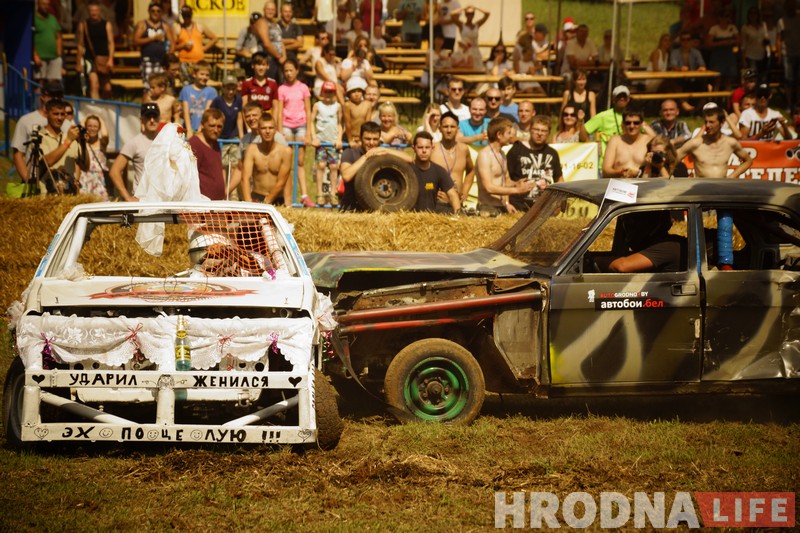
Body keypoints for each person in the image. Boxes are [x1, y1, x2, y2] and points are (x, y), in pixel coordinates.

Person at [475, 117, 537, 215]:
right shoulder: (485, 155)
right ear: (499, 134)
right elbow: (489, 187)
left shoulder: (502, 154)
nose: (511, 136)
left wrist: (516, 183)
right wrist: (517, 190)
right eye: (509, 133)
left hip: (501, 207)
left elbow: (506, 181)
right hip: (487, 209)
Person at [10, 81, 69, 183]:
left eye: (59, 96)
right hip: (36, 181)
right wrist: (27, 179)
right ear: (43, 97)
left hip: (61, 183)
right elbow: (18, 154)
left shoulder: (67, 124)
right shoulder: (26, 120)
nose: (56, 98)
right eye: (52, 95)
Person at [277, 58, 314, 207]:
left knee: (299, 161)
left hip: (300, 125)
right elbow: (279, 111)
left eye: (291, 70)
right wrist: (279, 131)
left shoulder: (303, 88)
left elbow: (308, 109)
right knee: (286, 162)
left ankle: (304, 194)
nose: (288, 73)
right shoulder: (281, 89)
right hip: (286, 125)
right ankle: (287, 197)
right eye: (286, 70)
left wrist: (309, 133)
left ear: (297, 70)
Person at [677, 107, 753, 179]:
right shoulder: (696, 143)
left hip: (721, 188)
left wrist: (732, 176)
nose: (707, 125)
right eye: (706, 122)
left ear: (722, 123)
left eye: (711, 122)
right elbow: (672, 159)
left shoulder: (730, 143)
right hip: (701, 188)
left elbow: (748, 161)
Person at [507, 115, 562, 211]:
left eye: (544, 131)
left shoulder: (552, 153)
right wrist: (506, 203)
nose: (539, 133)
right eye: (536, 129)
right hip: (518, 207)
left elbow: (559, 179)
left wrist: (559, 202)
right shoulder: (516, 150)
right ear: (530, 130)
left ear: (549, 133)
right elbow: (505, 179)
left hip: (544, 209)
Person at [603, 211, 686, 273]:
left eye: (632, 223)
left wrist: (594, 261)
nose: (628, 231)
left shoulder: (668, 246)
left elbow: (622, 266)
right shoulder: (663, 244)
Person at [109, 103, 160, 200]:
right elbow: (114, 171)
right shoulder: (135, 142)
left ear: (159, 118)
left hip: (162, 200)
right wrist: (127, 197)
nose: (152, 120)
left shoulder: (165, 140)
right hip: (143, 199)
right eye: (148, 117)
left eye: (155, 116)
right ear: (142, 120)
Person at [241, 113, 292, 204]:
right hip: (256, 197)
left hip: (277, 199)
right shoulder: (252, 150)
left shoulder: (285, 152)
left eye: (271, 128)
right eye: (264, 128)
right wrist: (248, 202)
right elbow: (245, 178)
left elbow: (282, 181)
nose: (267, 131)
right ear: (258, 130)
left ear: (276, 130)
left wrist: (266, 202)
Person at [39, 98, 85, 194]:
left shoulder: (69, 136)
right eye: (56, 114)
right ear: (47, 114)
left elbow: (85, 166)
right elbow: (47, 162)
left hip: (70, 196)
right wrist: (68, 141)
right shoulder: (39, 137)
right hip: (48, 196)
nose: (60, 118)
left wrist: (84, 142)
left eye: (63, 114)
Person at [407, 131, 461, 213]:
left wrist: (457, 216)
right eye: (420, 147)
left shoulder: (439, 171)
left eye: (427, 147)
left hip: (431, 219)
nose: (424, 151)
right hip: (407, 218)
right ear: (413, 148)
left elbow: (453, 195)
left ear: (432, 148)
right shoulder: (406, 170)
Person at [210, 76, 244, 199]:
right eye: (228, 88)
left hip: (233, 136)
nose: (230, 92)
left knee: (234, 163)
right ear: (223, 88)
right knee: (223, 165)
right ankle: (222, 191)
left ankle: (233, 192)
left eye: (233, 89)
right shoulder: (217, 101)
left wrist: (241, 137)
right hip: (220, 137)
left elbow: (240, 118)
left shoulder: (238, 100)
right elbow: (212, 116)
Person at [310, 81, 343, 205]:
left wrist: (339, 138)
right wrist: (314, 137)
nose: (328, 94)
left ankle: (333, 192)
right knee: (321, 165)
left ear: (334, 93)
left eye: (331, 92)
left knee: (334, 167)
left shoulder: (337, 106)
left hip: (332, 142)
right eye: (326, 91)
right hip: (321, 142)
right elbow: (311, 122)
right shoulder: (317, 105)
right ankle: (319, 193)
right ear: (322, 92)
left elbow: (340, 124)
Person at [339, 121, 382, 211]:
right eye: (367, 139)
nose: (371, 143)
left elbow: (409, 159)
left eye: (375, 139)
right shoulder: (350, 153)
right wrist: (366, 157)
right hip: (351, 207)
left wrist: (386, 150)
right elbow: (346, 176)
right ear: (360, 138)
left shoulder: (382, 154)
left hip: (374, 209)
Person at [431, 111, 474, 203]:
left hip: (458, 203)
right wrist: (432, 190)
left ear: (457, 129)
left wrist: (465, 192)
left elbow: (471, 171)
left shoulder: (463, 149)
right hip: (436, 204)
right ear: (440, 129)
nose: (449, 130)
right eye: (445, 127)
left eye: (452, 127)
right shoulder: (432, 149)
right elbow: (420, 177)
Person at [76, 0, 115, 99]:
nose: (94, 13)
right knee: (94, 84)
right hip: (90, 58)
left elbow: (111, 43)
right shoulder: (83, 25)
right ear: (88, 12)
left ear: (99, 11)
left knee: (107, 88)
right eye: (91, 10)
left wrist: (111, 59)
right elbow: (80, 45)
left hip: (104, 58)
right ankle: (96, 108)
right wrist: (78, 61)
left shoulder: (106, 25)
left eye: (96, 10)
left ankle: (106, 107)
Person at [602, 110, 656, 179]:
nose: (632, 126)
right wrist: (619, 172)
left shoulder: (649, 140)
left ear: (641, 124)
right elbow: (605, 170)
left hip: (644, 184)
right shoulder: (615, 140)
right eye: (628, 123)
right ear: (623, 124)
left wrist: (638, 173)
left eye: (636, 123)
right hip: (619, 183)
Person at [134, 2, 174, 93]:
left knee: (162, 85)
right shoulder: (143, 25)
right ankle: (149, 104)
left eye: (158, 11)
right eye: (153, 11)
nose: (155, 13)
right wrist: (153, 38)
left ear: (161, 12)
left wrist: (169, 54)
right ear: (149, 11)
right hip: (147, 60)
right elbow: (136, 41)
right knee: (149, 86)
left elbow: (172, 43)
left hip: (161, 61)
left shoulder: (165, 26)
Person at [187, 108, 227, 200]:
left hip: (216, 205)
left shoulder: (215, 143)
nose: (216, 130)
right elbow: (188, 177)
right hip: (202, 206)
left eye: (219, 126)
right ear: (202, 125)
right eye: (211, 126)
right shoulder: (194, 145)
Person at [174, 5, 218, 83]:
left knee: (200, 83)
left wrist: (205, 48)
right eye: (185, 16)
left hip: (198, 61)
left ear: (191, 15)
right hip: (184, 62)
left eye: (188, 15)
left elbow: (214, 38)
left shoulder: (199, 26)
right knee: (186, 84)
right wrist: (183, 45)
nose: (187, 18)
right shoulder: (178, 28)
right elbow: (173, 46)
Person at [584, 85, 631, 153]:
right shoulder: (603, 116)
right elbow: (584, 130)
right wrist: (591, 147)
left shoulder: (634, 118)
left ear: (628, 99)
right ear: (613, 99)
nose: (622, 98)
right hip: (605, 160)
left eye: (624, 96)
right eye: (619, 96)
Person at [179, 61, 217, 138]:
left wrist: (201, 128)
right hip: (188, 128)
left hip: (203, 129)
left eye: (207, 75)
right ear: (194, 74)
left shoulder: (212, 91)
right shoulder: (186, 90)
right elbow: (186, 111)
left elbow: (207, 111)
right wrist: (189, 130)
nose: (204, 77)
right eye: (202, 74)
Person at [705, 9, 739, 89]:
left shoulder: (732, 28)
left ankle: (727, 99)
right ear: (719, 18)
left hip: (729, 54)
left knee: (729, 79)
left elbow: (739, 40)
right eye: (722, 17)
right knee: (717, 79)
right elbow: (708, 43)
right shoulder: (714, 29)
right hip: (718, 55)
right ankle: (715, 98)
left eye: (726, 17)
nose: (724, 19)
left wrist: (731, 41)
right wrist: (722, 43)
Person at [79, 114, 110, 199]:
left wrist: (99, 117)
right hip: (84, 179)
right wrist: (87, 116)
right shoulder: (82, 141)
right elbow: (79, 129)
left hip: (99, 180)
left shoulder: (102, 143)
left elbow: (105, 135)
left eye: (95, 126)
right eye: (89, 126)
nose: (92, 129)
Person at [253, 1, 285, 81]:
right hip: (268, 60)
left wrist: (284, 56)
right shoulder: (262, 22)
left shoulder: (276, 24)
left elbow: (280, 41)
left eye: (272, 9)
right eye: (268, 9)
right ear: (264, 10)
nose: (270, 11)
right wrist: (278, 57)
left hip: (278, 60)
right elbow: (266, 44)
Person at [777, 0, 800, 111]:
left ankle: (798, 104)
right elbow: (779, 39)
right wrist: (779, 54)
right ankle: (789, 104)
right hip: (788, 54)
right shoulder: (781, 21)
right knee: (789, 80)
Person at [33, 0, 63, 83]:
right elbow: (30, 39)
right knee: (40, 83)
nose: (46, 6)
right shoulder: (33, 19)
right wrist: (35, 55)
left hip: (54, 57)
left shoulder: (52, 19)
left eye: (47, 5)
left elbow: (58, 37)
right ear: (38, 4)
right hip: (40, 57)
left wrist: (59, 54)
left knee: (53, 84)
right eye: (43, 4)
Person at [452, 5, 489, 70]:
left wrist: (476, 7)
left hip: (475, 50)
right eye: (468, 14)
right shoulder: (462, 25)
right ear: (465, 14)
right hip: (464, 51)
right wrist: (464, 8)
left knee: (477, 69)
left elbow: (487, 14)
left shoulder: (477, 25)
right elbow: (452, 14)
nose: (470, 15)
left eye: (472, 14)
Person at [741, 7, 769, 80]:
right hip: (750, 56)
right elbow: (743, 44)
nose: (753, 16)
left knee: (762, 77)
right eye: (751, 14)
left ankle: (760, 90)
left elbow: (766, 37)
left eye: (755, 14)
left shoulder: (763, 25)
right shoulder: (745, 28)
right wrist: (743, 59)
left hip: (762, 55)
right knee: (751, 77)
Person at [345, 77, 374, 146]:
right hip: (350, 137)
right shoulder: (347, 105)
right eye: (353, 91)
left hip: (363, 138)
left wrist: (364, 139)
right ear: (349, 94)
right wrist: (350, 140)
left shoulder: (367, 104)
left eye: (359, 91)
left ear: (362, 92)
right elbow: (347, 123)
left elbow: (367, 123)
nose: (356, 94)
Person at [236, 12, 263, 77]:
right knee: (237, 66)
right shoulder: (245, 31)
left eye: (256, 23)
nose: (254, 25)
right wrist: (248, 54)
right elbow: (237, 49)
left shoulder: (263, 33)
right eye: (252, 23)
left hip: (258, 60)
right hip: (245, 60)